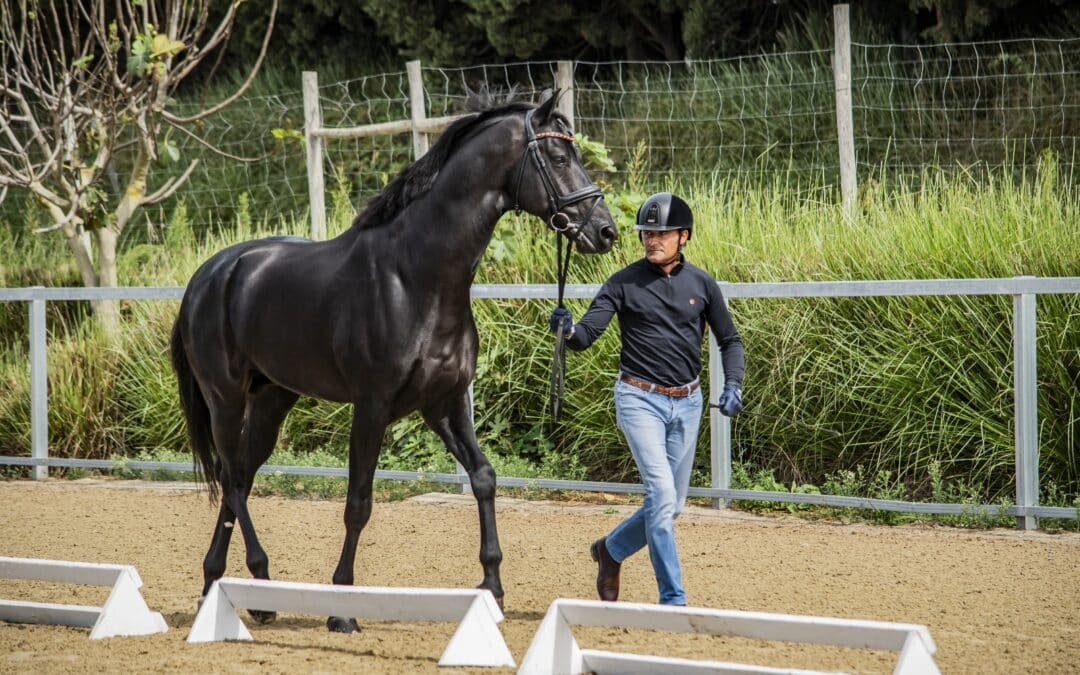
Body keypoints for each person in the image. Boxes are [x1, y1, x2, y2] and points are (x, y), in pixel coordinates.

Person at [549, 191, 745, 606]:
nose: (652, 239)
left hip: (688, 404)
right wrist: (567, 330)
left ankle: (611, 550)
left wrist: (733, 384)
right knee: (661, 497)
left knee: (670, 507)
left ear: (683, 236)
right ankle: (673, 599)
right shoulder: (623, 282)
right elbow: (586, 335)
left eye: (661, 233)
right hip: (639, 400)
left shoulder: (702, 284)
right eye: (646, 233)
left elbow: (730, 340)